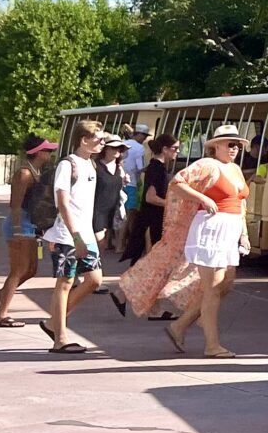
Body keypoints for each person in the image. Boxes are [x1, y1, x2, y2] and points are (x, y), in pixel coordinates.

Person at [164, 123, 252, 358]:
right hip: (212, 228)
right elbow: (177, 183)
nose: (234, 149)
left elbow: (241, 202)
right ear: (217, 146)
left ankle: (180, 325)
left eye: (237, 145)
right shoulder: (207, 165)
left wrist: (243, 233)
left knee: (224, 284)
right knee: (213, 287)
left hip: (230, 229)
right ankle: (212, 344)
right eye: (230, 144)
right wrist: (203, 197)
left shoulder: (234, 168)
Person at [42, 120, 109, 354]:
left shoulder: (91, 165)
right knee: (65, 283)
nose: (103, 143)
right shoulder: (68, 165)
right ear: (84, 140)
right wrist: (76, 236)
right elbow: (63, 203)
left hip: (86, 233)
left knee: (95, 280)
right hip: (66, 234)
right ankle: (59, 338)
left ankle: (54, 322)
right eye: (99, 139)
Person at [0, 135, 54, 328]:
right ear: (37, 153)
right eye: (47, 150)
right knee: (19, 270)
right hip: (20, 225)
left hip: (30, 225)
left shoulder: (36, 172)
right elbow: (15, 205)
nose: (50, 153)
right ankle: (1, 314)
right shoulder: (25, 174)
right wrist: (18, 229)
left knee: (31, 270)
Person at [115, 132, 185, 288]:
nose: (178, 152)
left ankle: (132, 295)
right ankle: (127, 292)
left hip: (153, 219)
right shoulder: (157, 168)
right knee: (154, 262)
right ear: (165, 149)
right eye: (175, 148)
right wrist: (171, 203)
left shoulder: (157, 167)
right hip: (152, 220)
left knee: (154, 263)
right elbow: (150, 197)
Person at [93, 135, 130, 253]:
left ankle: (93, 268)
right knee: (98, 243)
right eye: (114, 147)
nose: (117, 151)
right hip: (97, 210)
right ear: (105, 149)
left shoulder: (119, 167)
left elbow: (118, 186)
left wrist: (124, 181)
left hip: (112, 210)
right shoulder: (95, 166)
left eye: (120, 148)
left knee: (101, 246)